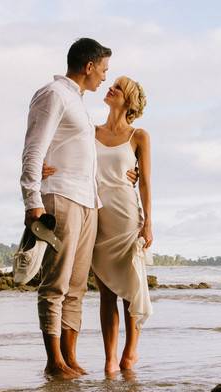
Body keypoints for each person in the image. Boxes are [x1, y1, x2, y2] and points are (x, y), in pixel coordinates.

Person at [43, 75, 153, 374]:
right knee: (106, 293)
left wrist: (149, 224)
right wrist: (42, 165)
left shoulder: (139, 136)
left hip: (127, 215)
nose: (110, 88)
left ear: (128, 100)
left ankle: (129, 354)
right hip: (97, 214)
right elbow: (64, 150)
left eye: (117, 87)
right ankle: (109, 359)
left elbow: (145, 184)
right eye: (111, 83)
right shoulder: (91, 132)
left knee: (131, 286)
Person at [20, 38, 110, 379]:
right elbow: (33, 149)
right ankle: (53, 361)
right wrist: (33, 202)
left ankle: (70, 358)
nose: (103, 77)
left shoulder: (79, 102)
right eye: (103, 70)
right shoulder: (53, 94)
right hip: (60, 196)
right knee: (55, 283)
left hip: (87, 200)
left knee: (76, 287)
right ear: (88, 66)